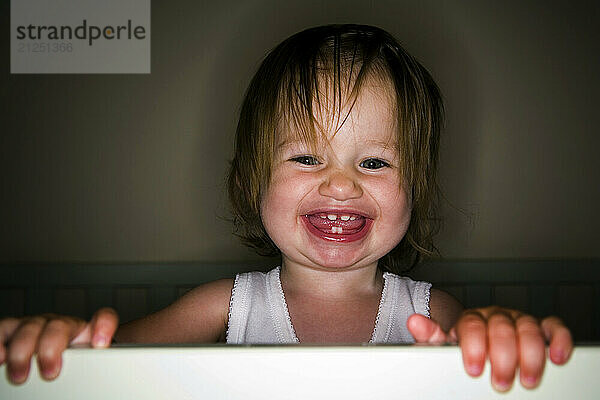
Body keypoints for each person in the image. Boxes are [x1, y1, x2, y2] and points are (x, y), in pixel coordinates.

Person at [0, 24, 572, 392]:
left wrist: (499, 335)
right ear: (255, 180)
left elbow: (485, 352)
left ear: (414, 187)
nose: (341, 184)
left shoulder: (429, 309)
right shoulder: (226, 305)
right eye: (305, 156)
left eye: (374, 163)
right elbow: (111, 364)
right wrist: (67, 344)